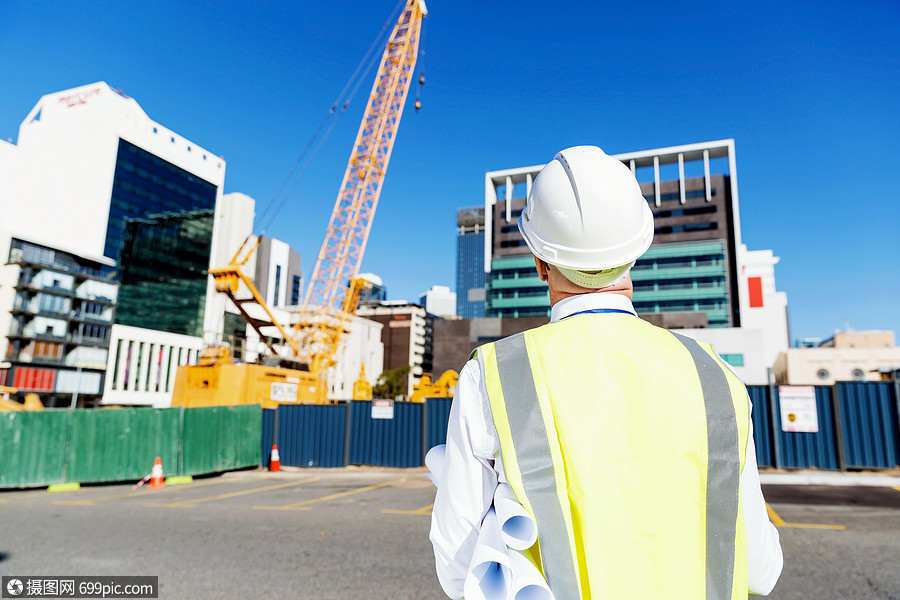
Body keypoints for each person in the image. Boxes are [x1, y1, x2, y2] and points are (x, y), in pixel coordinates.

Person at [429, 145, 783, 599]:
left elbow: (460, 568)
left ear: (540, 263)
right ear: (636, 253)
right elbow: (761, 570)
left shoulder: (495, 376)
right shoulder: (715, 376)